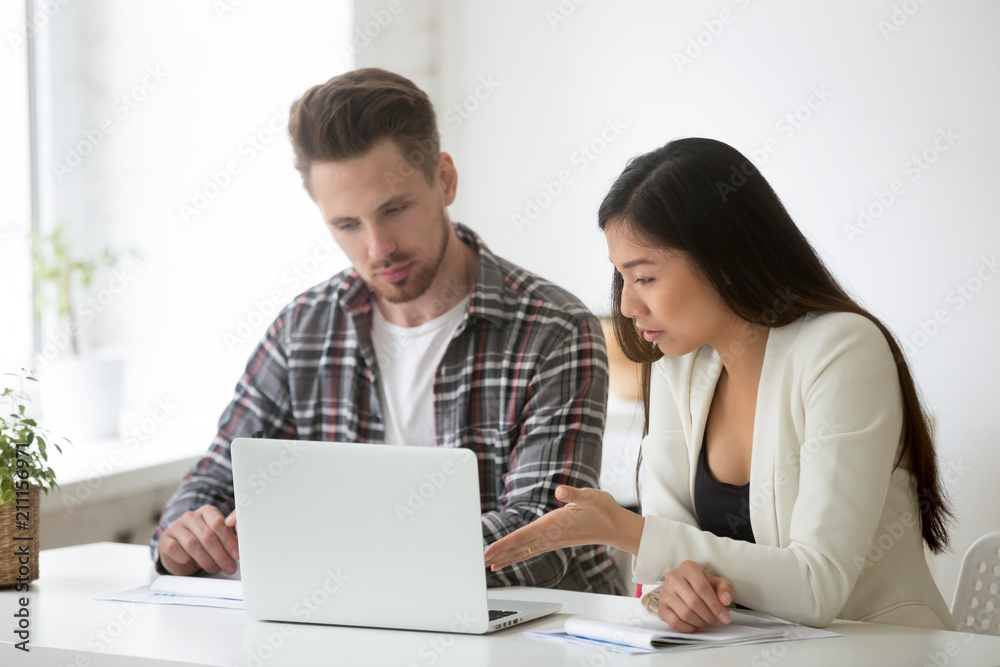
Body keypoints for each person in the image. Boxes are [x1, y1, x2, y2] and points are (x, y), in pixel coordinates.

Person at [149, 68, 625, 596]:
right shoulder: (302, 331)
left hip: (535, 638)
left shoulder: (554, 331)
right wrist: (187, 531)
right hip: (362, 627)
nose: (378, 249)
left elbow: (543, 535)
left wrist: (348, 565)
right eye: (346, 225)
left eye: (394, 209)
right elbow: (216, 478)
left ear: (444, 179)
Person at [484, 137, 956, 629]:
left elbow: (819, 585)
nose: (625, 306)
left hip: (880, 649)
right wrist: (676, 594)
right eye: (621, 278)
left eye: (644, 278)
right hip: (744, 649)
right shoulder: (676, 364)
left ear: (724, 262)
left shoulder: (841, 350)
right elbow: (673, 559)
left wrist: (626, 531)